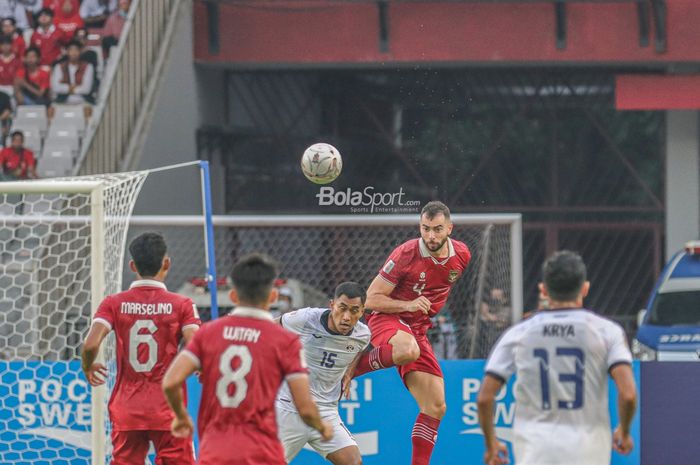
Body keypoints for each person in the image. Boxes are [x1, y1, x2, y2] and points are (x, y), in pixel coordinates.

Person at [162, 253, 333, 465]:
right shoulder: (286, 341)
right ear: (272, 296)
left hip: (215, 453)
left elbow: (170, 382)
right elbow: (305, 408)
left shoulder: (207, 334)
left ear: (233, 296)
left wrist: (180, 416)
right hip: (262, 452)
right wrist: (322, 427)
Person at [477, 251, 637, 465]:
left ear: (543, 290)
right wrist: (624, 431)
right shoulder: (606, 331)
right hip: (589, 451)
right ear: (585, 288)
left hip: (536, 451)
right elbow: (628, 394)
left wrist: (492, 444)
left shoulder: (519, 333)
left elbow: (485, 398)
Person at [351, 200, 471, 465]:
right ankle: (352, 368)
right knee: (407, 350)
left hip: (417, 330)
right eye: (425, 228)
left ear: (450, 228)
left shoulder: (462, 255)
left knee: (436, 406)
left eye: (437, 229)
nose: (430, 236)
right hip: (387, 319)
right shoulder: (406, 253)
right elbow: (370, 299)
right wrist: (408, 304)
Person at [81, 232, 201, 465]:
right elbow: (196, 342)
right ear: (166, 263)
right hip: (168, 408)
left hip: (127, 408)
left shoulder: (113, 303)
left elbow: (90, 344)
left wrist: (88, 364)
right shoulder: (182, 304)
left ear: (132, 265)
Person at [276, 281, 370, 465]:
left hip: (326, 412)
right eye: (342, 308)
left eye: (353, 311)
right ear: (331, 304)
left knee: (353, 462)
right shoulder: (306, 319)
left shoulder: (362, 335)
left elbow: (357, 351)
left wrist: (349, 373)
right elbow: (270, 327)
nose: (346, 317)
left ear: (362, 311)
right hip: (290, 408)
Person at [51, 39, 93, 104]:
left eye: (76, 50)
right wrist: (72, 88)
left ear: (80, 51)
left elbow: (86, 89)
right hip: (62, 101)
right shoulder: (59, 67)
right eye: (71, 50)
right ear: (67, 52)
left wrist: (66, 88)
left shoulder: (88, 66)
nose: (74, 53)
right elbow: (55, 87)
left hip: (82, 101)